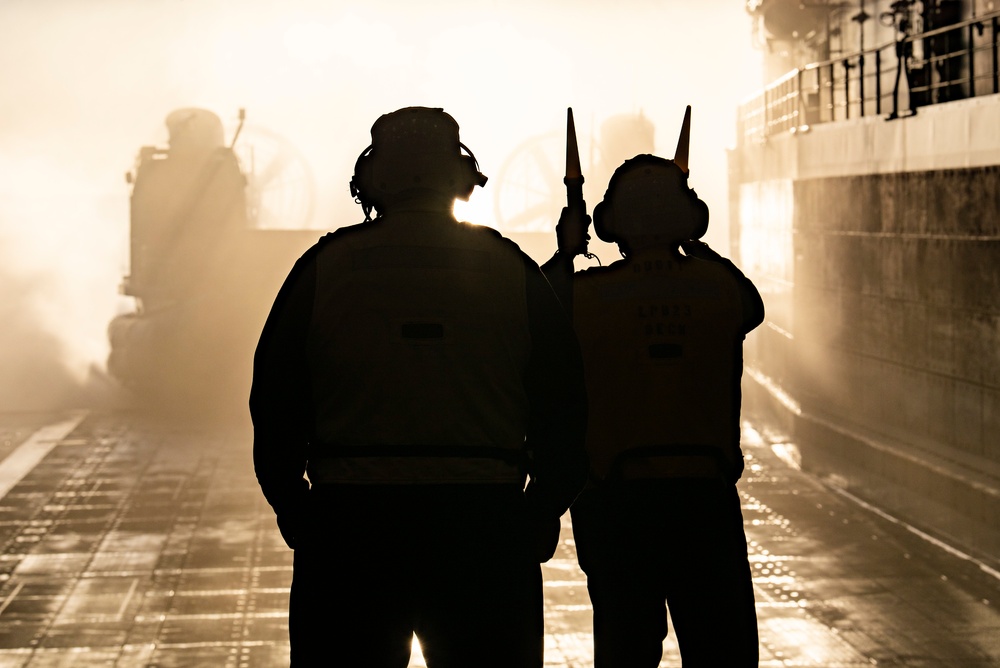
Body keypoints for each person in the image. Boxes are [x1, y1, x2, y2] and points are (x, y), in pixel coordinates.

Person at [250, 106, 588, 667]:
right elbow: (565, 401)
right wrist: (541, 510)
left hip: (350, 527)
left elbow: (276, 398)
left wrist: (296, 509)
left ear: (371, 181)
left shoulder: (325, 267)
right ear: (461, 179)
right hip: (483, 525)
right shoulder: (510, 271)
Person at [541, 112, 763, 666]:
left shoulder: (585, 295)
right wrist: (696, 247)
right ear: (692, 218)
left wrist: (568, 252)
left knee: (624, 650)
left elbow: (534, 313)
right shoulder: (720, 288)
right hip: (705, 499)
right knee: (722, 652)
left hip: (616, 503)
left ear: (610, 221)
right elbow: (752, 308)